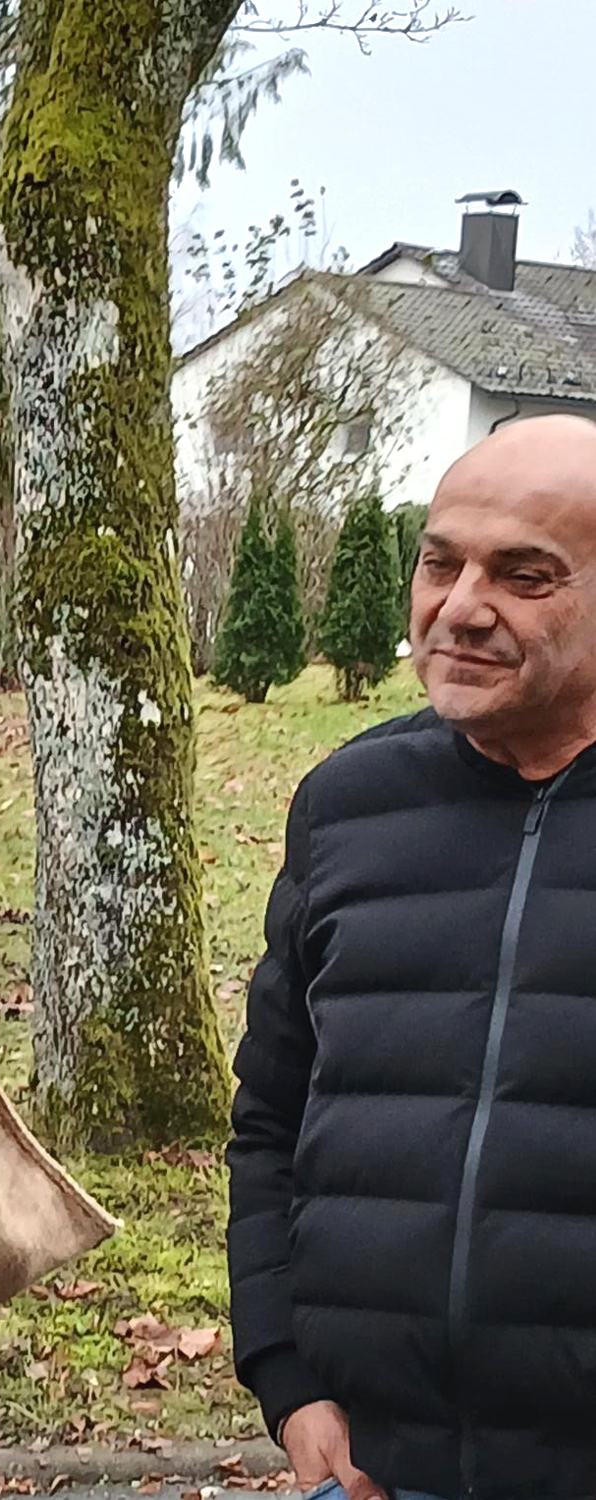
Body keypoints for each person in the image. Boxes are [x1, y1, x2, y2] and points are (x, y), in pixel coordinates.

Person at [228, 412, 596, 1500]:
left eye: (525, 576)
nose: (461, 607)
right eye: (441, 562)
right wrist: (286, 1379)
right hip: (383, 1469)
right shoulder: (349, 804)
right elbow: (271, 1120)